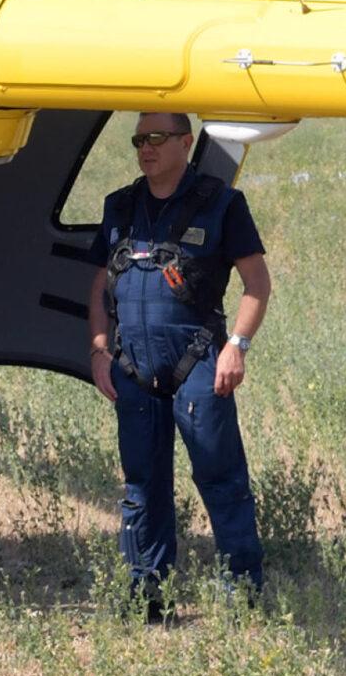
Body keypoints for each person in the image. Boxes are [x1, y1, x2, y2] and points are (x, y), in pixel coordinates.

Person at [86, 112, 272, 608]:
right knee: (142, 482)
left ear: (186, 143)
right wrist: (100, 349)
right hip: (133, 367)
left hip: (197, 360)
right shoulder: (120, 207)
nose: (145, 148)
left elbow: (257, 283)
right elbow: (101, 286)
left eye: (156, 138)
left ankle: (243, 589)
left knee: (219, 475)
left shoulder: (222, 205)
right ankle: (148, 587)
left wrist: (238, 345)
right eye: (138, 140)